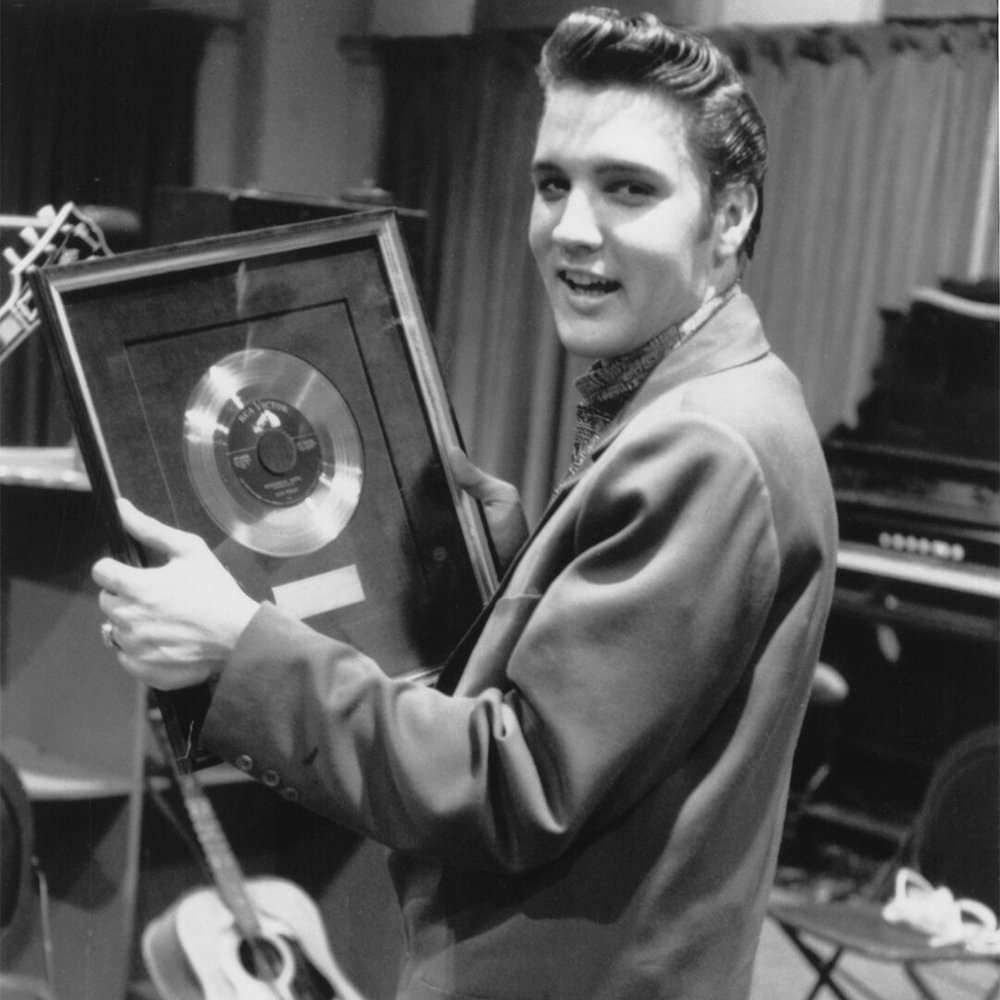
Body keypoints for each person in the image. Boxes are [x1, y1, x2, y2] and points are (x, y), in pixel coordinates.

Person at [93, 8, 838, 999]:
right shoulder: (718, 402)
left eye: (628, 188)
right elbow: (617, 732)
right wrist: (507, 577)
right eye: (551, 183)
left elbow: (514, 782)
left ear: (730, 215)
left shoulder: (705, 444)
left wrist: (243, 645)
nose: (572, 228)